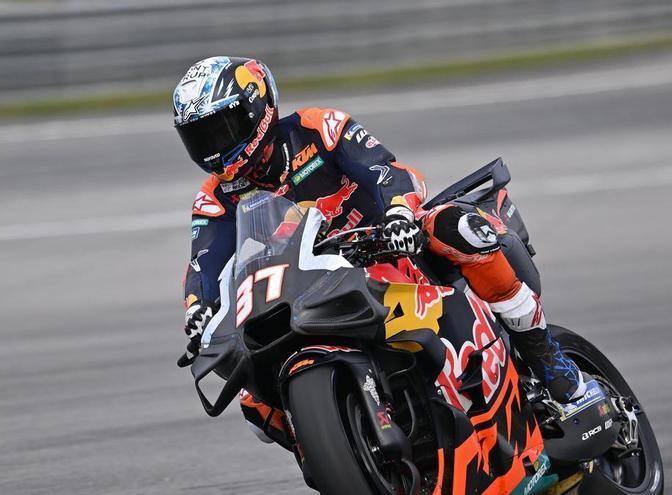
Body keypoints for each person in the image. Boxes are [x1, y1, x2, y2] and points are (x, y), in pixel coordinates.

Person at [174, 57, 588, 441]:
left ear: (256, 110)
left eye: (220, 128)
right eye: (198, 137)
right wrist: (198, 310)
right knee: (254, 405)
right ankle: (349, 449)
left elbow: (386, 171)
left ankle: (550, 363)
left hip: (387, 247)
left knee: (457, 227)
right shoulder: (214, 199)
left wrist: (399, 215)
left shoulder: (319, 128)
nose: (213, 147)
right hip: (307, 289)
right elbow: (203, 265)